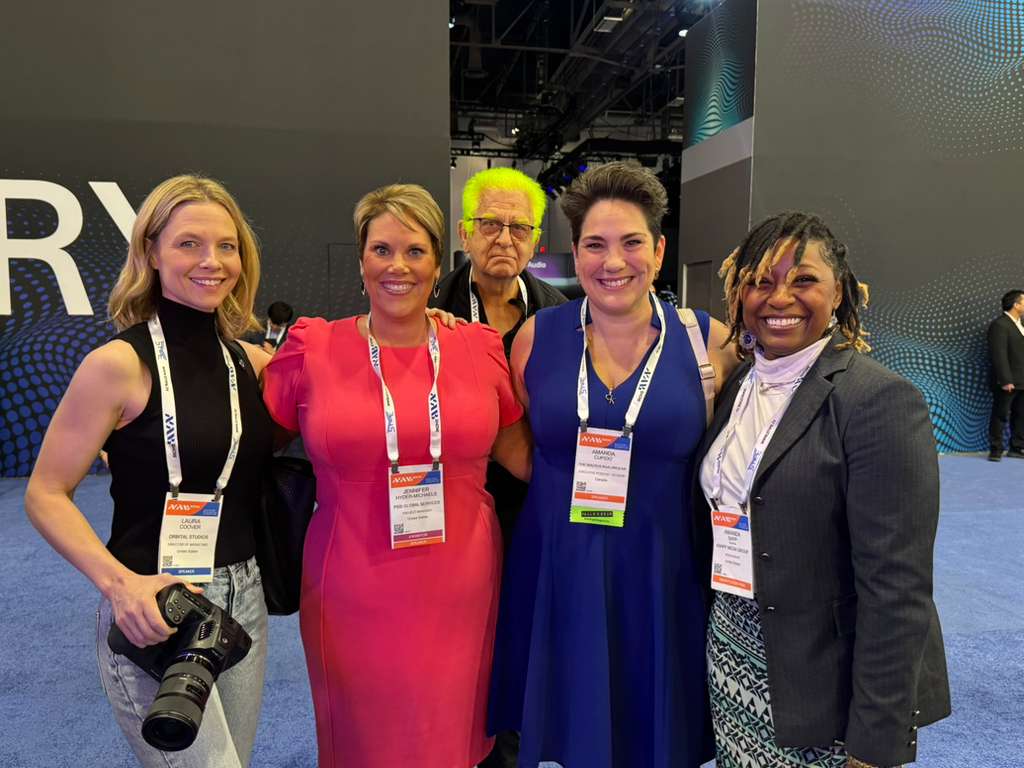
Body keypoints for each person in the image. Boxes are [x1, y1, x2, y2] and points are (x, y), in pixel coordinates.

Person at [261, 183, 531, 768]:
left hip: (462, 584)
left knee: (452, 738)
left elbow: (527, 458)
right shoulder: (313, 348)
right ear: (361, 260)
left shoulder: (478, 347)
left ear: (437, 263)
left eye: (414, 251)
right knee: (363, 740)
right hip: (349, 583)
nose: (397, 266)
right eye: (381, 250)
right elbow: (247, 447)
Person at [488, 161, 738, 767]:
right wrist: (562, 485)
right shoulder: (536, 338)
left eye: (631, 242)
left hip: (661, 569)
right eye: (595, 245)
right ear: (575, 254)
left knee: (652, 732)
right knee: (572, 729)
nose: (613, 261)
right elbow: (514, 436)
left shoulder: (708, 342)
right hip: (559, 564)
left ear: (658, 250)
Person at [24, 175, 274, 767]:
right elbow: (45, 492)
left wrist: (435, 324)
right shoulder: (117, 365)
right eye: (189, 244)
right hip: (152, 606)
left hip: (243, 600)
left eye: (227, 245)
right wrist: (119, 585)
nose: (212, 261)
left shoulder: (254, 363)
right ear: (151, 252)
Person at [696, 212, 950, 768]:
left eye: (803, 280)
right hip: (734, 649)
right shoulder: (740, 384)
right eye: (760, 281)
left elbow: (897, 586)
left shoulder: (877, 400)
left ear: (839, 292)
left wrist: (875, 740)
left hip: (821, 679)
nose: (779, 297)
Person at [431, 167, 566, 768]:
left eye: (519, 227)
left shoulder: (562, 315)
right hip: (445, 508)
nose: (504, 238)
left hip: (533, 502)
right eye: (490, 224)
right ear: (465, 232)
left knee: (522, 642)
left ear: (535, 240)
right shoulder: (427, 308)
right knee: (452, 648)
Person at [986, 289, 1024, 461]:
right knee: (1000, 415)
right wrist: (1005, 380)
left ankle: (1016, 447)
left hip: (1022, 381)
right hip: (1007, 382)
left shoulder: (1020, 325)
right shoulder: (1000, 325)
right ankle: (996, 449)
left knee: (1020, 416)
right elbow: (998, 354)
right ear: (1016, 305)